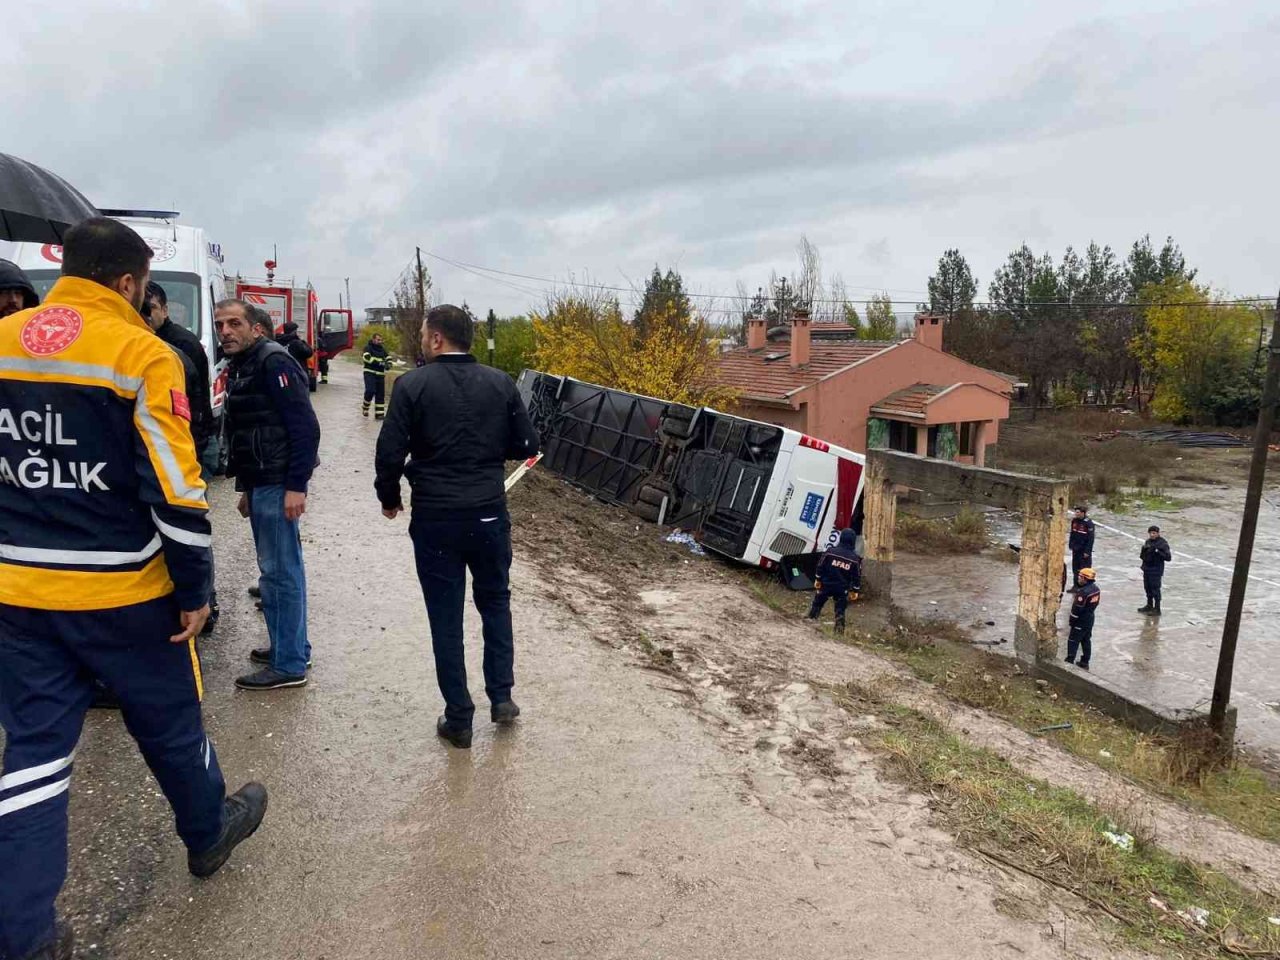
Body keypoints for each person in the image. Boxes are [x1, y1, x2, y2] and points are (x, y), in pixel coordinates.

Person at [0, 218, 266, 960]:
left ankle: (22, 936)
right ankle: (208, 833)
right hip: (124, 591)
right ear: (128, 283)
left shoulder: (4, 338)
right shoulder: (140, 353)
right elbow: (177, 491)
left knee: (34, 752)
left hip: (17, 591)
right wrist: (195, 589)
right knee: (171, 722)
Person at [374, 304, 539, 749]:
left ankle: (459, 718)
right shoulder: (500, 382)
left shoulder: (412, 385)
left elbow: (389, 452)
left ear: (436, 340)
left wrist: (390, 498)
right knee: (496, 602)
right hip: (488, 512)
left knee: (445, 618)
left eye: (426, 335)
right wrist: (485, 450)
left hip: (436, 518)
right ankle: (501, 698)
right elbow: (527, 443)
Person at [215, 298, 321, 690]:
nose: (225, 331)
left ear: (255, 328)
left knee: (279, 574)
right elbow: (246, 432)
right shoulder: (245, 365)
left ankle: (289, 664)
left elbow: (305, 428)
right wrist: (246, 487)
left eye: (234, 324)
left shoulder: (273, 362)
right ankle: (290, 646)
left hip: (279, 484)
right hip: (263, 482)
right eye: (220, 324)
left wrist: (297, 486)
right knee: (278, 571)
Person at [143, 281, 222, 633]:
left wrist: (197, 449)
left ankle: (206, 600)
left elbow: (198, 404)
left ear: (164, 309)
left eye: (151, 309)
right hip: (156, 450)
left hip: (186, 446)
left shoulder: (184, 346)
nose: (146, 317)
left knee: (190, 525)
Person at [805, 528, 862, 634]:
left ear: (841, 538)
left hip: (826, 585)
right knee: (840, 610)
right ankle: (839, 632)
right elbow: (856, 576)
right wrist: (855, 590)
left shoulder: (830, 551)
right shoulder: (854, 559)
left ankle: (810, 622)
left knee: (817, 604)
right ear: (853, 541)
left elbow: (820, 566)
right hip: (842, 589)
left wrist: (818, 579)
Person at [1065, 567, 1100, 670]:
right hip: (1090, 618)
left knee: (1073, 640)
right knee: (1086, 640)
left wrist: (1072, 621)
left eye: (1080, 577)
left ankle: (1069, 661)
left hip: (1080, 621)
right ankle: (1085, 661)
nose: (1078, 578)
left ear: (1085, 579)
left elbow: (1077, 609)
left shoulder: (1083, 593)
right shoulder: (1096, 589)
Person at [1138, 525, 1172, 615]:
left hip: (1156, 570)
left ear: (1158, 533)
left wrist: (1157, 551)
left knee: (1155, 589)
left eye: (1154, 533)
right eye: (1151, 533)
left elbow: (1168, 558)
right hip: (1147, 569)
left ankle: (1157, 609)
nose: (1152, 535)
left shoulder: (1163, 543)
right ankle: (1149, 605)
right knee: (1147, 588)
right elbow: (1142, 556)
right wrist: (1144, 550)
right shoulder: (1148, 542)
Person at [1066, 505, 1095, 593]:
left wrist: (1087, 551)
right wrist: (1070, 544)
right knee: (1075, 568)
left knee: (1084, 569)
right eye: (1075, 512)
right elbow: (1072, 533)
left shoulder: (1088, 523)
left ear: (1083, 513)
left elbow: (1091, 538)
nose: (1076, 514)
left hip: (1084, 551)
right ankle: (1076, 586)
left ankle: (1084, 588)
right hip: (1076, 549)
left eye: (1078, 512)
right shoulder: (1074, 521)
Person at [362, 332, 391, 419]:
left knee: (380, 395)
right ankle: (365, 407)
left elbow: (388, 358)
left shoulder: (382, 349)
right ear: (373, 339)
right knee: (370, 390)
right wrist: (380, 363)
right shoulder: (368, 348)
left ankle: (379, 414)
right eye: (378, 340)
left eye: (381, 340)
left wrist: (388, 364)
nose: (380, 341)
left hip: (380, 375)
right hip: (369, 373)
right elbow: (367, 358)